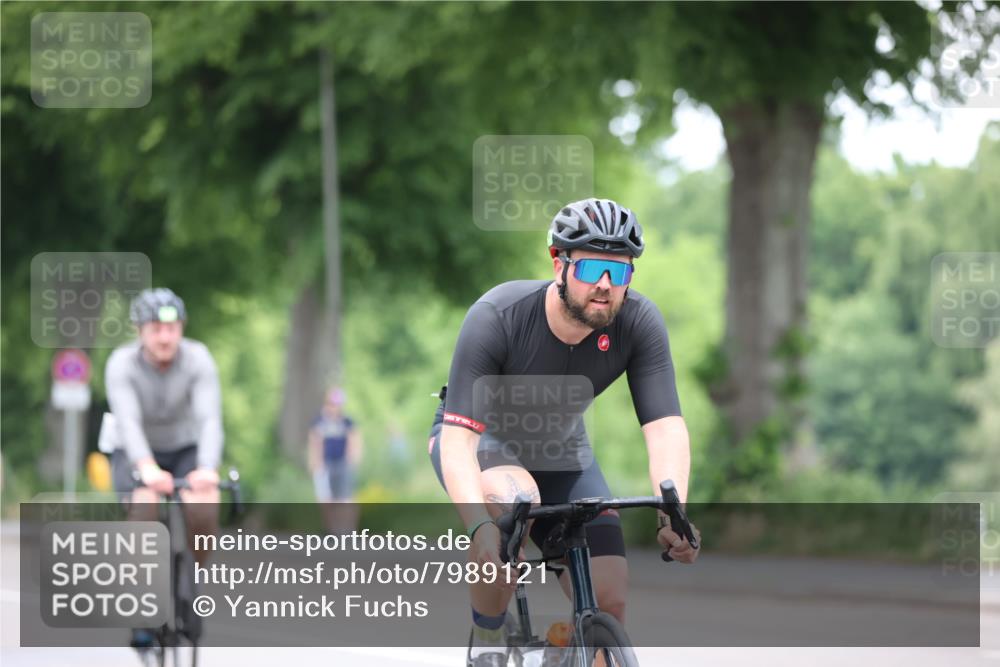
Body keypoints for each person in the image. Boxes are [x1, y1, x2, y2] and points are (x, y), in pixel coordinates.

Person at [427, 198, 701, 666]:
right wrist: (478, 527)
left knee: (609, 593)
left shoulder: (639, 322)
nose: (605, 284)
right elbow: (457, 445)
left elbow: (665, 427)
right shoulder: (498, 315)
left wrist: (673, 513)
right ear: (559, 262)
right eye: (593, 266)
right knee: (520, 500)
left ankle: (563, 654)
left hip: (560, 448)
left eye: (621, 271)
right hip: (479, 443)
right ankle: (488, 641)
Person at [103, 287, 224, 648]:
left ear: (182, 329)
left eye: (172, 329)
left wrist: (207, 467)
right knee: (144, 510)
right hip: (134, 448)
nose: (165, 337)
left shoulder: (199, 359)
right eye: (155, 328)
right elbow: (128, 422)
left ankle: (192, 580)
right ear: (140, 331)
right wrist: (147, 467)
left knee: (204, 504)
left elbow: (210, 420)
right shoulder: (121, 364)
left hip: (184, 445)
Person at [308, 387, 363, 533]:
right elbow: (315, 442)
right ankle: (331, 530)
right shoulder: (320, 421)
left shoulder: (346, 421)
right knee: (326, 499)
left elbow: (354, 439)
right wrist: (314, 461)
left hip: (342, 463)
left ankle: (349, 529)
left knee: (345, 498)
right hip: (325, 463)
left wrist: (354, 458)